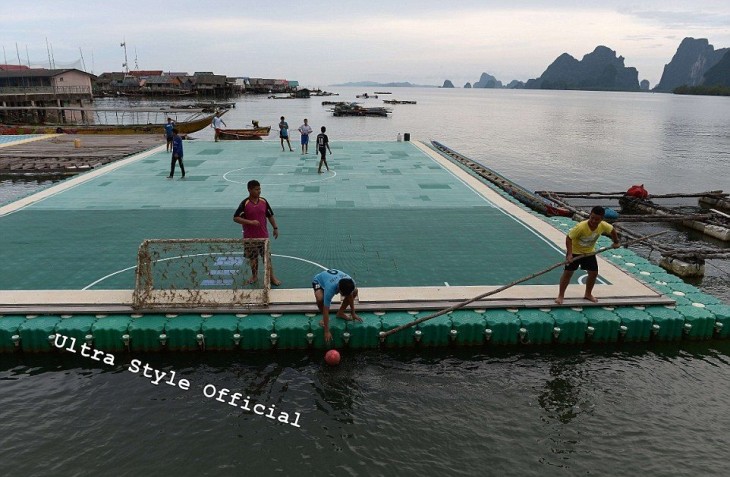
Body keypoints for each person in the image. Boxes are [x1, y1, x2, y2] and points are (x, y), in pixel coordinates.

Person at [555, 206, 620, 304]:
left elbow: (612, 230)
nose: (593, 221)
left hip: (589, 253)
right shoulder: (581, 227)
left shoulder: (603, 225)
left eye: (597, 219)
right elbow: (569, 238)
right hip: (575, 252)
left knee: (593, 273)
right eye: (592, 218)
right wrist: (569, 254)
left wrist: (616, 242)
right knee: (568, 273)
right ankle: (561, 296)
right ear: (590, 215)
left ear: (602, 219)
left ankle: (588, 294)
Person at [233, 180, 281, 286]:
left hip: (263, 236)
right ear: (249, 190)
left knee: (267, 258)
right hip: (250, 237)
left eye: (259, 189)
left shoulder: (264, 201)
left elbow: (270, 215)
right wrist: (250, 222)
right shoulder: (244, 203)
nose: (259, 191)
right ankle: (254, 276)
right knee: (253, 258)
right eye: (256, 189)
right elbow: (236, 218)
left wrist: (275, 228)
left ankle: (271, 277)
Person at [312, 269, 361, 343]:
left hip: (332, 279)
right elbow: (326, 309)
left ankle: (340, 313)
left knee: (355, 292)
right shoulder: (330, 289)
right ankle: (323, 319)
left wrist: (353, 313)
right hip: (319, 281)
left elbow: (350, 296)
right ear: (339, 289)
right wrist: (326, 331)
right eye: (343, 294)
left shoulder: (351, 283)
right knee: (320, 298)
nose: (344, 296)